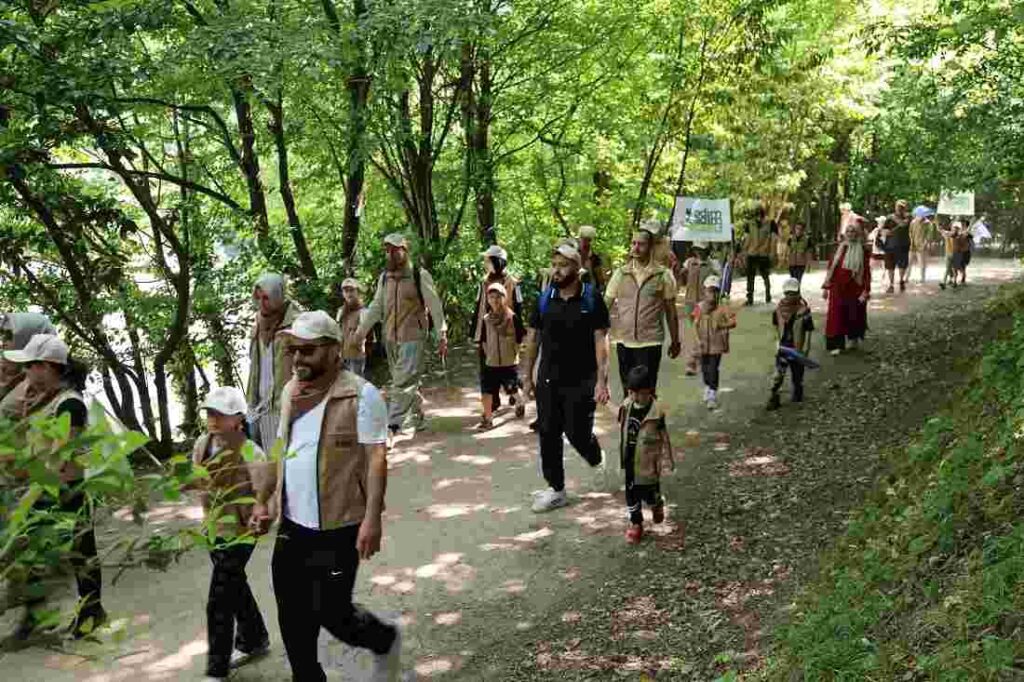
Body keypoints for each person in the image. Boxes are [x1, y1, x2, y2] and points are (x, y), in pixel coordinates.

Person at [249, 311, 400, 681]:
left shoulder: (362, 396)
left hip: (340, 525)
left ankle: (383, 638)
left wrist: (372, 518)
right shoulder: (290, 393)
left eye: (308, 351)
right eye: (294, 350)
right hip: (292, 526)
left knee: (333, 613)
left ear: (333, 351)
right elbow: (278, 450)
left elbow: (375, 459)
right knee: (292, 613)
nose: (298, 358)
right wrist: (262, 499)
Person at [2, 334, 106, 639]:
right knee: (35, 555)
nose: (26, 373)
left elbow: (60, 456)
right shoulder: (39, 400)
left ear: (48, 366)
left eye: (31, 366)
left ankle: (91, 613)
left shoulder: (69, 404)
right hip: (40, 489)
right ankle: (40, 615)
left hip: (66, 491)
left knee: (81, 556)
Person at [522, 243, 611, 513]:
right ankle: (556, 488)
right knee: (548, 432)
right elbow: (533, 337)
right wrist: (526, 376)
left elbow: (601, 339)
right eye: (554, 265)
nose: (556, 271)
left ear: (576, 267)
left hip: (582, 378)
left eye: (562, 265)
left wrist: (601, 381)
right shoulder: (544, 298)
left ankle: (594, 454)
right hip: (549, 378)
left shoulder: (592, 298)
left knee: (577, 432)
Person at [192, 387, 271, 681]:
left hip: (241, 533)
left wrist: (261, 513)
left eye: (219, 414)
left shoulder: (251, 450)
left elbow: (266, 491)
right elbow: (201, 486)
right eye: (210, 413)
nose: (212, 419)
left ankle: (217, 667)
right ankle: (254, 638)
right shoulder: (202, 444)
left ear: (237, 418)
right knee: (234, 586)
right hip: (214, 530)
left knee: (219, 599)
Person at [355, 233, 448, 435]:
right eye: (387, 250)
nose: (390, 254)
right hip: (390, 337)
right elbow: (375, 308)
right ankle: (418, 416)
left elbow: (435, 306)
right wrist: (361, 333)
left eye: (395, 249)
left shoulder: (419, 275)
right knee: (405, 379)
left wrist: (442, 333)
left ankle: (392, 426)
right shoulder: (384, 278)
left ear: (404, 251)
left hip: (413, 337)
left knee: (401, 382)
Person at [604, 225, 681, 396]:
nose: (636, 248)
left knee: (646, 392)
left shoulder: (663, 275)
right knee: (628, 391)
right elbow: (605, 305)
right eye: (633, 243)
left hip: (650, 342)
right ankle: (629, 422)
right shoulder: (620, 274)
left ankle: (651, 422)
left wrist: (675, 340)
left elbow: (671, 312)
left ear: (651, 247)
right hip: (624, 341)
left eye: (641, 244)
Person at [617, 365, 674, 545]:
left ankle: (656, 503)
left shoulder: (657, 412)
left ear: (650, 391)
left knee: (649, 493)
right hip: (629, 459)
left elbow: (665, 436)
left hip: (648, 462)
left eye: (640, 393)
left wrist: (668, 458)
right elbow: (621, 425)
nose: (635, 397)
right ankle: (636, 524)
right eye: (632, 392)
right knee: (631, 493)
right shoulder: (627, 405)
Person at [247, 273, 302, 449]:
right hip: (257, 407)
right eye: (258, 298)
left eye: (266, 298)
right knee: (261, 462)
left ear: (277, 296)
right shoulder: (257, 325)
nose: (262, 303)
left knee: (281, 460)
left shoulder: (296, 324)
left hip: (284, 405)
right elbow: (255, 366)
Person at [471, 244, 524, 413]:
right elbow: (478, 306)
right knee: (487, 370)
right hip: (487, 333)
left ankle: (516, 393)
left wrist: (519, 336)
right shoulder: (483, 283)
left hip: (507, 333)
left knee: (509, 369)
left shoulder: (513, 283)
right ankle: (492, 402)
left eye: (488, 260)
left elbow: (519, 308)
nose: (485, 263)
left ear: (497, 262)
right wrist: (476, 334)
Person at [478, 283, 525, 429]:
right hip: (490, 362)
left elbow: (520, 336)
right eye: (491, 297)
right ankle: (488, 418)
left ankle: (520, 402)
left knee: (511, 388)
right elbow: (483, 340)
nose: (495, 300)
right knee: (487, 390)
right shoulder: (486, 319)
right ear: (488, 300)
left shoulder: (512, 317)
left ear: (504, 298)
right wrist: (488, 355)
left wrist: (513, 351)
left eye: (498, 297)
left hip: (508, 361)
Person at [823, 218, 871, 355]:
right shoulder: (840, 248)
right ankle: (836, 345)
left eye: (853, 231)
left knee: (854, 314)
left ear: (857, 234)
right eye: (848, 231)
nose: (850, 233)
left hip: (855, 288)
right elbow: (831, 267)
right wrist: (826, 287)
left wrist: (866, 290)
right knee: (836, 316)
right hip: (837, 288)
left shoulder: (863, 250)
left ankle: (853, 339)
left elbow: (866, 271)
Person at [767, 278, 815, 410]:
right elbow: (775, 327)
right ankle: (774, 396)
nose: (790, 296)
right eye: (788, 293)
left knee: (797, 374)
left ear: (798, 293)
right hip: (783, 347)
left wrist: (807, 347)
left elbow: (809, 329)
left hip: (797, 347)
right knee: (778, 374)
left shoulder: (803, 311)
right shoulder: (778, 310)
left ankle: (798, 392)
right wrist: (776, 342)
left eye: (793, 293)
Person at [692, 276, 736, 410]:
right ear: (704, 291)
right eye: (710, 291)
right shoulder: (699, 307)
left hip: (717, 345)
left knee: (713, 368)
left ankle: (712, 393)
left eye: (715, 291)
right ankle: (708, 386)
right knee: (705, 369)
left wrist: (723, 324)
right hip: (703, 345)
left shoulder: (722, 308)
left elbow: (733, 322)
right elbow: (694, 325)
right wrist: (697, 340)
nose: (712, 294)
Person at [0, 312, 56, 410]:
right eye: (2, 334)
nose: (3, 342)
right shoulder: (7, 369)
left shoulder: (38, 390)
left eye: (9, 336)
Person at [679, 242, 719, 375]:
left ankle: (692, 362)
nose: (699, 252)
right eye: (697, 249)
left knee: (698, 331)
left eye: (702, 249)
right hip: (690, 302)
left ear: (707, 250)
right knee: (695, 332)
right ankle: (702, 356)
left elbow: (720, 281)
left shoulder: (713, 264)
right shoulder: (689, 262)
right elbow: (681, 276)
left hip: (704, 304)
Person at [741, 206, 776, 306]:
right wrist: (744, 251)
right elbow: (747, 239)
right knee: (751, 277)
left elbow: (773, 239)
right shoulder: (750, 224)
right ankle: (750, 298)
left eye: (759, 216)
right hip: (753, 254)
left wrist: (772, 253)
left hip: (762, 254)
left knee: (764, 276)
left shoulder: (770, 223)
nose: (758, 218)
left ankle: (767, 296)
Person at [336, 278, 369, 378]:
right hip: (342, 356)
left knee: (356, 385)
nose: (349, 293)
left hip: (356, 356)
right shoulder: (341, 311)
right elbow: (337, 331)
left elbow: (364, 334)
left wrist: (354, 339)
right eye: (346, 291)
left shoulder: (363, 311)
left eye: (351, 290)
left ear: (357, 292)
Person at [884, 200, 912, 293]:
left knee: (902, 265)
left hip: (903, 244)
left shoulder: (908, 216)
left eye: (902, 207)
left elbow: (903, 224)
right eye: (898, 206)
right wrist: (886, 232)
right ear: (895, 207)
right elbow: (883, 229)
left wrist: (893, 217)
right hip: (890, 245)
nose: (900, 208)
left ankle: (901, 281)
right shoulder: (889, 217)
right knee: (890, 266)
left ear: (905, 208)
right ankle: (891, 285)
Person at [577, 225, 609, 291]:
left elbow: (601, 284)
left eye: (588, 240)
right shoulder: (573, 256)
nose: (585, 243)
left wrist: (590, 269)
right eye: (583, 239)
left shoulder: (595, 259)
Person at [909, 214, 935, 284]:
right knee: (909, 262)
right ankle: (907, 277)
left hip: (922, 246)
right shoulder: (913, 222)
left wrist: (925, 243)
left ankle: (922, 278)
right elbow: (910, 232)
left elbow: (929, 235)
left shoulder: (928, 223)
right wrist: (911, 240)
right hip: (912, 245)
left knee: (922, 263)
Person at [938, 220, 958, 290]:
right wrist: (937, 222)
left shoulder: (958, 236)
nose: (954, 229)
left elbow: (942, 231)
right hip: (948, 254)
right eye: (953, 227)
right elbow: (941, 230)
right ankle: (944, 282)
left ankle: (954, 281)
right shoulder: (947, 233)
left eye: (955, 228)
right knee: (947, 269)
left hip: (955, 254)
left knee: (954, 269)